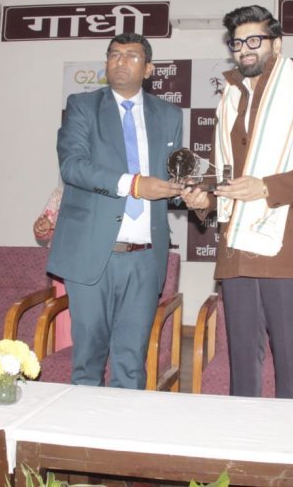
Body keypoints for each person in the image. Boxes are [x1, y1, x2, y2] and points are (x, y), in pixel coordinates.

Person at [181, 5, 293, 399]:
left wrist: (267, 187)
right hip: (236, 250)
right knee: (242, 362)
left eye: (254, 40)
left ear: (277, 43)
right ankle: (245, 449)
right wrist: (201, 197)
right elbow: (224, 176)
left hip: (286, 249)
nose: (245, 50)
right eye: (237, 43)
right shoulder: (229, 101)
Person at [47, 33, 183, 389]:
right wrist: (134, 184)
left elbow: (170, 177)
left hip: (145, 256)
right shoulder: (82, 105)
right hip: (92, 253)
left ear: (149, 68)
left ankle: (122, 439)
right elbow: (73, 166)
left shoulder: (168, 115)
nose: (121, 61)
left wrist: (193, 194)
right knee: (88, 361)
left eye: (131, 56)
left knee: (132, 363)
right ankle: (80, 442)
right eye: (114, 54)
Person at [33, 184, 72, 350]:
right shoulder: (61, 192)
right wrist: (41, 226)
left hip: (95, 266)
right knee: (63, 321)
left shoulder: (104, 188)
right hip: (63, 265)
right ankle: (62, 369)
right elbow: (42, 230)